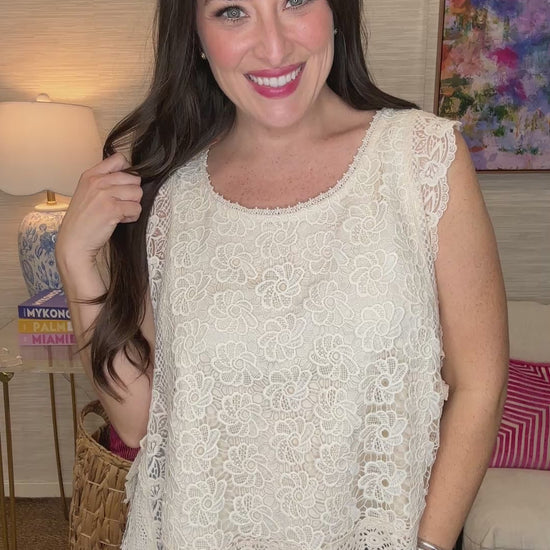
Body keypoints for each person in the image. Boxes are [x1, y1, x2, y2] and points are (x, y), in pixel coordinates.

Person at [56, 0, 509, 548]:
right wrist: (75, 259)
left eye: (294, 1)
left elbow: (479, 385)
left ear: (336, 12)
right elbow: (140, 422)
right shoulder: (172, 195)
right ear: (195, 37)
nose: (273, 47)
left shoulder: (421, 157)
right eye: (232, 11)